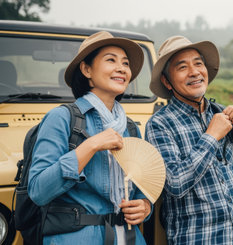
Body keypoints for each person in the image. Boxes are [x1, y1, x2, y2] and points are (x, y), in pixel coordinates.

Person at [28, 31, 152, 245]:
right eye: (111, 60)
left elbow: (141, 192)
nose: (121, 68)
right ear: (87, 70)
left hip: (129, 238)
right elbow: (38, 191)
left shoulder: (130, 128)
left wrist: (144, 207)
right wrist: (91, 145)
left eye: (125, 63)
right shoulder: (61, 118)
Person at [145, 36, 233, 245]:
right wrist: (211, 137)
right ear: (167, 81)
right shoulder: (160, 124)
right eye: (182, 67)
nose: (194, 72)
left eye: (198, 63)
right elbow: (175, 184)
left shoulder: (221, 112)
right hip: (201, 238)